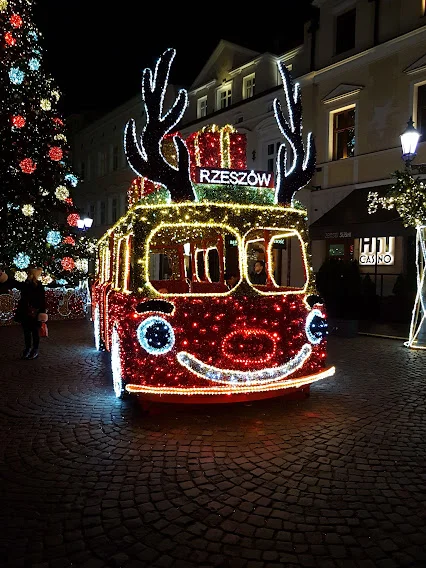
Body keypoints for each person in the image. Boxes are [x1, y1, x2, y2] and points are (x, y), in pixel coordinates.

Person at [0, 266, 47, 359]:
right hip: (25, 312)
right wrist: (4, 277)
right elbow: (14, 283)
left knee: (34, 332)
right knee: (27, 332)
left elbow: (42, 300)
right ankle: (28, 348)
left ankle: (35, 349)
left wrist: (42, 312)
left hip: (34, 313)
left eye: (30, 273)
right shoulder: (26, 284)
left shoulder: (39, 286)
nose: (28, 275)